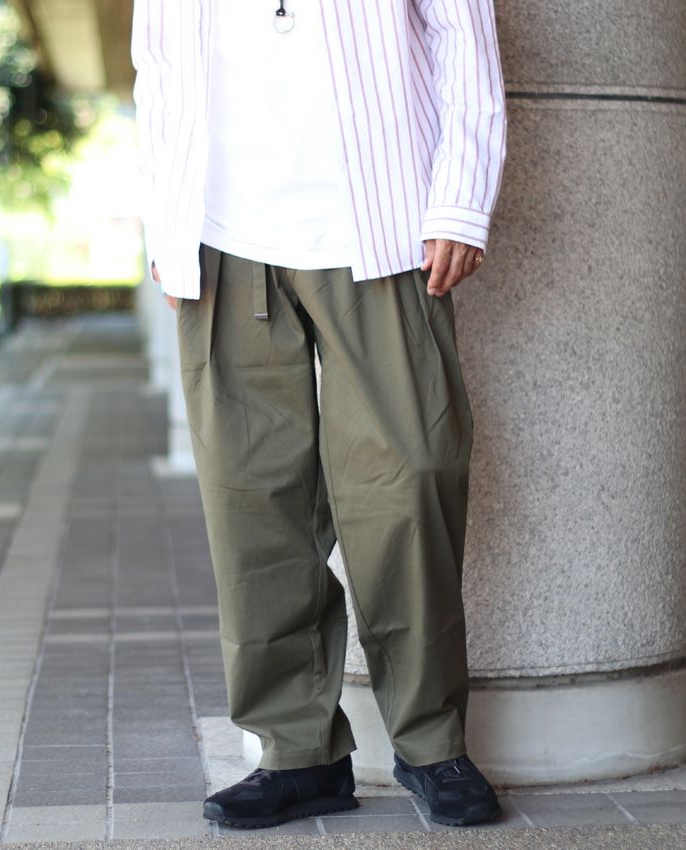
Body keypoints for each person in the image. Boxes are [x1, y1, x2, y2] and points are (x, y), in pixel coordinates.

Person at [131, 0, 507, 830]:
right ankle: (297, 754)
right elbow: (155, 65)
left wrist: (459, 199)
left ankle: (432, 744)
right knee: (252, 502)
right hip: (220, 230)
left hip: (379, 219)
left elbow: (465, 42)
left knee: (408, 483)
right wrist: (164, 217)